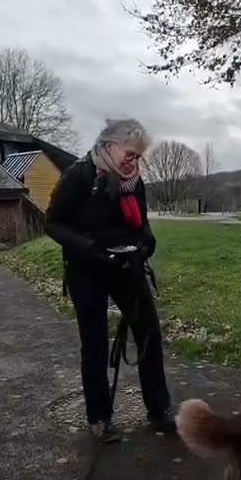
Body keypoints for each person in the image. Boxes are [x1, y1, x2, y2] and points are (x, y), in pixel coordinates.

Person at [44, 118, 176, 442]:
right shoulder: (78, 176)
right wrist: (90, 249)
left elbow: (142, 223)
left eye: (139, 156)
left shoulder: (135, 181)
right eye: (130, 154)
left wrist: (145, 245)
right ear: (108, 146)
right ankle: (99, 417)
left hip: (126, 267)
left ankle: (158, 409)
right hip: (86, 269)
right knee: (95, 344)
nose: (134, 161)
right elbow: (54, 224)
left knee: (148, 333)